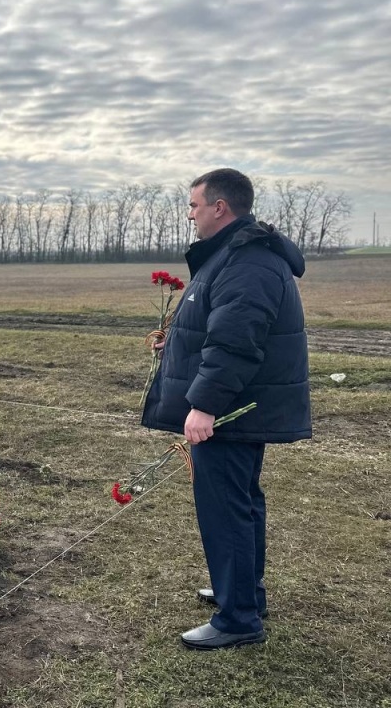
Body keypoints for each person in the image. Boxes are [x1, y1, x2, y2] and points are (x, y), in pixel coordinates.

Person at [141, 168, 311, 650]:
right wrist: (174, 343)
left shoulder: (247, 261)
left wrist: (204, 406)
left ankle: (238, 619)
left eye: (195, 205)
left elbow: (236, 343)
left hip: (233, 410)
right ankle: (243, 594)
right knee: (240, 503)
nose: (190, 213)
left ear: (220, 207)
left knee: (227, 508)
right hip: (239, 405)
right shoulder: (232, 257)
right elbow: (216, 327)